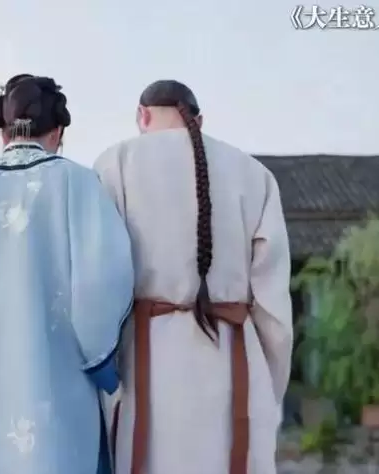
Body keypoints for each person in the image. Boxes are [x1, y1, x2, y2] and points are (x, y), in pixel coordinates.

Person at [94, 80, 293, 474]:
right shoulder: (254, 174)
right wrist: (269, 385)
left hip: (148, 364)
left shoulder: (116, 163)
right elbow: (273, 305)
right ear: (198, 120)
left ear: (142, 115)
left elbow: (100, 284)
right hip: (236, 362)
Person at [0, 74, 134, 474]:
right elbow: (100, 285)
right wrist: (103, 366)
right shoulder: (77, 182)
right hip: (54, 370)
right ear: (58, 131)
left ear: (2, 131)